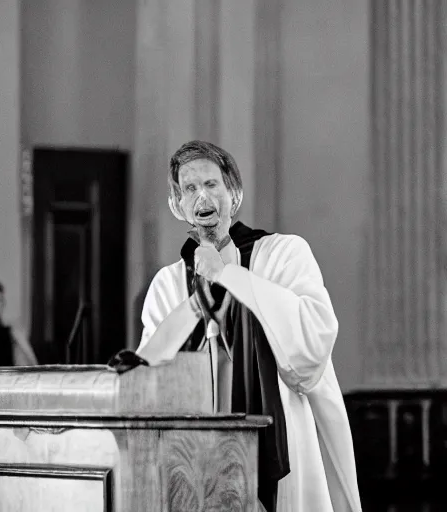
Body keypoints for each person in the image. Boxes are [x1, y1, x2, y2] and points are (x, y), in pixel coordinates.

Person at [136, 140, 362, 512]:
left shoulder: (284, 253)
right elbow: (152, 378)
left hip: (282, 434)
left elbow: (312, 342)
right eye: (190, 189)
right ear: (178, 205)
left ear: (233, 193)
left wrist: (230, 277)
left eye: (212, 185)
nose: (202, 197)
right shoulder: (167, 283)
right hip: (195, 452)